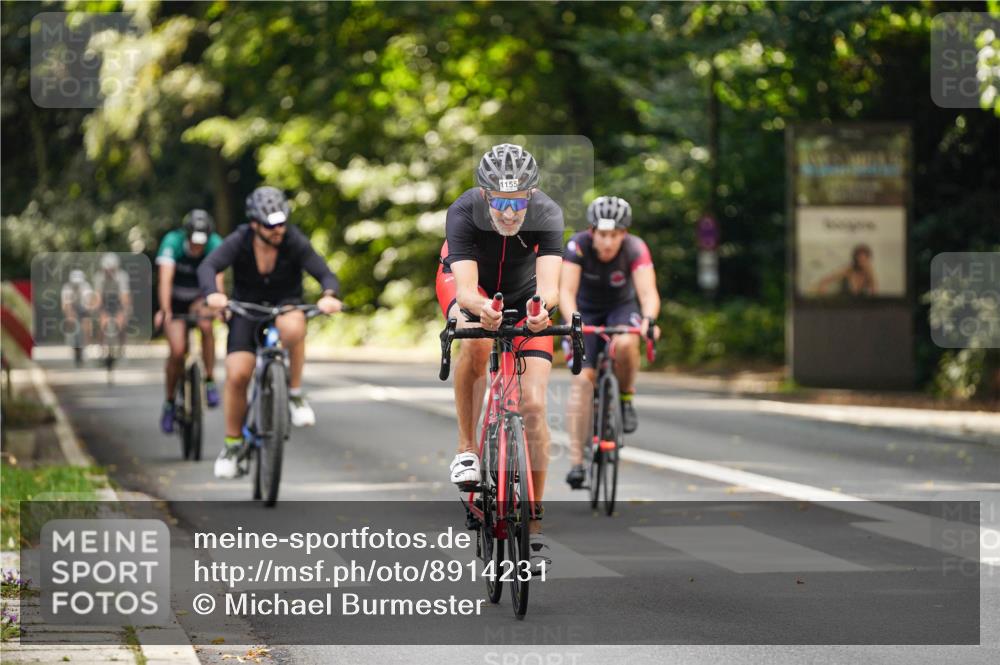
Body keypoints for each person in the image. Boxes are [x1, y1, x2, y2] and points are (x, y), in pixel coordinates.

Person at [436, 143, 562, 571]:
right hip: (472, 286)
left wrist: (539, 312)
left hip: (526, 296)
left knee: (533, 405)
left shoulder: (547, 213)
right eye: (501, 202)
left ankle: (535, 523)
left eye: (518, 201)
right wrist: (477, 309)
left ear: (531, 195)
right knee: (473, 337)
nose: (509, 213)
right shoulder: (463, 211)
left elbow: (551, 288)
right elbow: (467, 289)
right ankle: (467, 448)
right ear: (486, 196)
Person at [198, 186, 343, 479]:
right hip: (246, 309)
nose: (278, 230)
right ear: (255, 223)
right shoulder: (240, 239)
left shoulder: (293, 240)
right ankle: (233, 445)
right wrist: (213, 294)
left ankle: (294, 393)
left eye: (281, 223)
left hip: (284, 305)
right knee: (238, 374)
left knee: (295, 325)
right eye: (270, 225)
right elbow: (209, 265)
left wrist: (329, 294)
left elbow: (325, 273)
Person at [560, 196, 661, 490]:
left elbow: (648, 294)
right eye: (603, 235)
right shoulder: (577, 246)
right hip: (585, 311)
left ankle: (626, 398)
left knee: (628, 343)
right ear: (592, 232)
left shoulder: (635, 248)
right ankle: (577, 463)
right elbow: (566, 292)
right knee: (582, 381)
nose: (608, 242)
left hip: (621, 308)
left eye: (615, 235)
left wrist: (649, 321)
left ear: (624, 234)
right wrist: (572, 322)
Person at [154, 209, 224, 434]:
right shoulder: (172, 242)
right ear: (186, 235)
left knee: (206, 325)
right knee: (177, 350)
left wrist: (219, 308)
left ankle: (210, 380)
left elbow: (218, 280)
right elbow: (165, 279)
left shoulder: (215, 243)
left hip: (199, 297)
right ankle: (170, 401)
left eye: (201, 243)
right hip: (175, 300)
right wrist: (165, 310)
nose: (197, 248)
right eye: (194, 242)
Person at [92, 253, 131, 354]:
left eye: (111, 269)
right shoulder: (98, 277)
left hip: (118, 300)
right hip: (105, 301)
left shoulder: (122, 276)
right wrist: (98, 309)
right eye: (106, 269)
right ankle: (100, 348)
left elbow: (124, 296)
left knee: (122, 323)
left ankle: (122, 348)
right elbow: (98, 295)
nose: (108, 272)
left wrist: (124, 310)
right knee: (102, 323)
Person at [61, 269, 95, 365]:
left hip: (83, 309)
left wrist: (89, 310)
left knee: (87, 325)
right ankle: (71, 341)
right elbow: (65, 305)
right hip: (72, 308)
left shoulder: (86, 287)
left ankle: (85, 347)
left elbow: (90, 302)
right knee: (70, 321)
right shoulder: (67, 288)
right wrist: (70, 315)